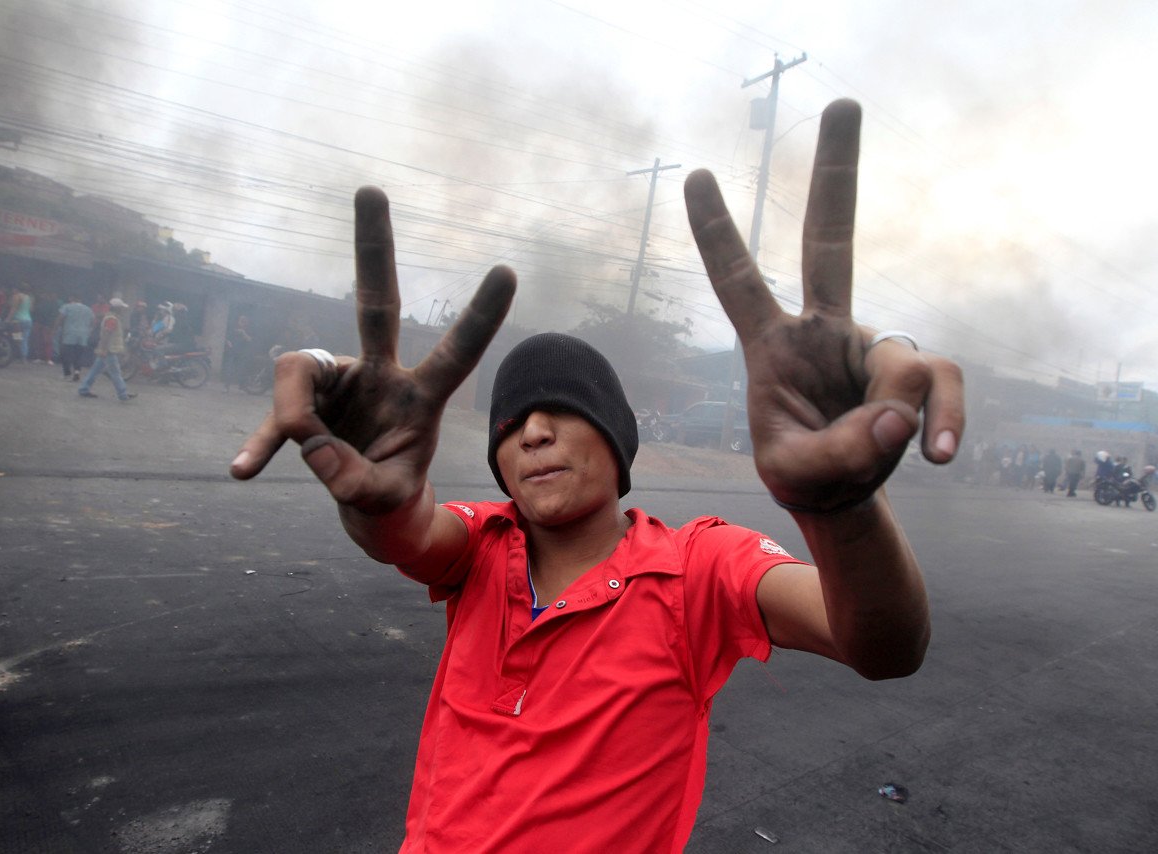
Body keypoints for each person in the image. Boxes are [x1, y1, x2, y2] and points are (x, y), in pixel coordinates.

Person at [231, 101, 963, 851]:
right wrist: (373, 495)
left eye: (558, 410)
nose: (531, 432)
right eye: (511, 424)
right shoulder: (480, 548)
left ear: (617, 439)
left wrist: (841, 508)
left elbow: (884, 647)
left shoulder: (699, 569)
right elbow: (403, 531)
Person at [77, 298, 136, 401]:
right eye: (121, 308)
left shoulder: (110, 318)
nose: (123, 310)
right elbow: (106, 334)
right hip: (109, 350)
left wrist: (102, 349)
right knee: (115, 372)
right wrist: (104, 349)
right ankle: (122, 393)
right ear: (117, 308)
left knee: (95, 370)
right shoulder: (112, 319)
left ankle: (84, 388)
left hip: (107, 349)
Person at [55, 295, 95, 380]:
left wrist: (55, 328)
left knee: (65, 354)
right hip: (83, 335)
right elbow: (93, 321)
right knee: (79, 355)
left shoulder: (67, 307)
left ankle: (67, 374)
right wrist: (89, 331)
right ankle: (77, 372)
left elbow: (60, 318)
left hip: (69, 334)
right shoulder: (88, 309)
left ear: (72, 298)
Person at [222, 314, 254, 392]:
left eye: (245, 321)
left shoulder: (249, 330)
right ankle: (226, 387)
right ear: (238, 321)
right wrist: (228, 343)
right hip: (232, 352)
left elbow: (250, 340)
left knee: (242, 370)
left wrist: (243, 333)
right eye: (241, 321)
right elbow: (226, 338)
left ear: (247, 322)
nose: (243, 323)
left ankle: (242, 386)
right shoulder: (233, 329)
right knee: (229, 370)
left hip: (242, 353)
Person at [8, 283, 33, 361]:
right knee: (25, 339)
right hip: (28, 320)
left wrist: (8, 319)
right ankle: (24, 357)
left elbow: (14, 308)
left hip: (18, 321)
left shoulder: (17, 296)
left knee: (17, 338)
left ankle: (15, 355)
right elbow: (31, 309)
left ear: (17, 289)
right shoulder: (28, 297)